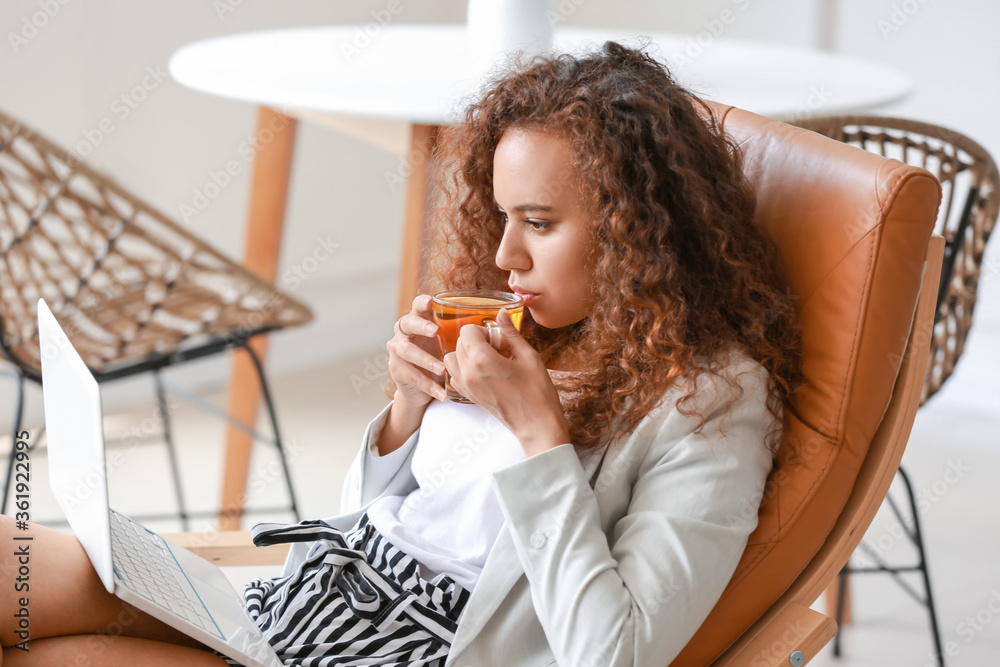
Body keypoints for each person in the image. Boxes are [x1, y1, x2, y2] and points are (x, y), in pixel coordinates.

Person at [0, 41, 801, 666]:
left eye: (541, 223)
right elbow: (390, 512)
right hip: (304, 599)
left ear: (637, 230)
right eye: (501, 216)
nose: (505, 256)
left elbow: (613, 648)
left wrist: (538, 435)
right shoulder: (536, 326)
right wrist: (406, 414)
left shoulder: (710, 400)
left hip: (409, 645)